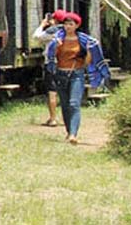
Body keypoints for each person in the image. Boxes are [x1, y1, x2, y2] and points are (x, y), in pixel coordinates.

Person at [44, 11, 109, 145]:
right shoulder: (57, 40)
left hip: (76, 75)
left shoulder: (85, 41)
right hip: (60, 74)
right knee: (65, 104)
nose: (67, 27)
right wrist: (56, 47)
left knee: (74, 104)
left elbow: (89, 57)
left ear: (77, 25)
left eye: (71, 24)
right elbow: (51, 56)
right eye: (66, 24)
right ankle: (69, 131)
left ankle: (73, 134)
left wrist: (83, 65)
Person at [32, 9, 66, 127]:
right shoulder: (67, 31)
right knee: (64, 92)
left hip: (51, 64)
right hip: (65, 64)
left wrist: (42, 25)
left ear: (55, 19)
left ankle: (53, 119)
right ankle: (67, 118)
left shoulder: (52, 31)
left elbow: (36, 37)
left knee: (52, 92)